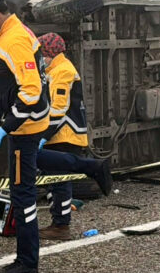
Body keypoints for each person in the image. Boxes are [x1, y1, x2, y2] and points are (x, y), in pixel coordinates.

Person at [0, 0, 49, 273]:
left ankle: (27, 262)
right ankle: (26, 258)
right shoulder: (9, 34)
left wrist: (7, 126)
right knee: (23, 189)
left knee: (22, 196)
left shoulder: (13, 39)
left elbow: (31, 90)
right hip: (25, 124)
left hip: (25, 129)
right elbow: (13, 84)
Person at [33, 32, 114, 240]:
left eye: (42, 54)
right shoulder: (55, 70)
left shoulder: (62, 71)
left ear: (49, 53)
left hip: (64, 133)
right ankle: (59, 221)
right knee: (56, 180)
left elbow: (59, 108)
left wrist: (43, 134)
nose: (40, 59)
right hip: (61, 133)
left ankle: (60, 226)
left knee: (59, 181)